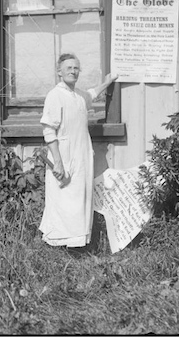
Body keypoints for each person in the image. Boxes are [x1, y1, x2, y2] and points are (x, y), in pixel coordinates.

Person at [39, 53, 117, 248]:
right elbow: (48, 130)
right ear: (59, 72)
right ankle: (58, 245)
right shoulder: (55, 95)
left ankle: (78, 245)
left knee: (79, 200)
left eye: (76, 68)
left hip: (81, 154)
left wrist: (107, 83)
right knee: (63, 200)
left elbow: (91, 94)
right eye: (69, 68)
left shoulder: (78, 95)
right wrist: (57, 161)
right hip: (63, 155)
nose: (73, 71)